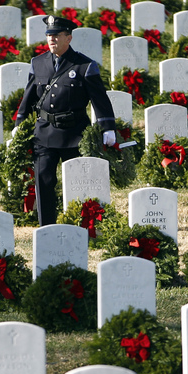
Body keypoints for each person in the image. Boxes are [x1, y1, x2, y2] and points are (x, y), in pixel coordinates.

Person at [14, 15, 117, 226]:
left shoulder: (84, 65)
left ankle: (82, 226)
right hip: (44, 133)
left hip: (74, 135)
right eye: (49, 35)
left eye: (56, 35)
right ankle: (47, 227)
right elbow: (29, 97)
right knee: (43, 182)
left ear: (68, 38)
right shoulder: (38, 63)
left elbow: (100, 99)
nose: (51, 39)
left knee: (79, 184)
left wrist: (108, 127)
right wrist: (19, 123)